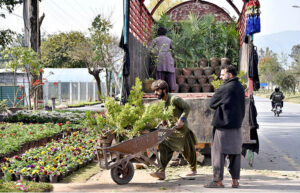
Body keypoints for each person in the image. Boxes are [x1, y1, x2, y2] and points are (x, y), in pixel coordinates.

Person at [204, 65, 245, 188]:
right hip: (237, 126)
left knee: (218, 153)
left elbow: (212, 104)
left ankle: (218, 181)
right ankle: (235, 181)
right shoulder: (240, 87)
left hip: (223, 127)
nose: (221, 77)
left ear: (230, 75)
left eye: (222, 74)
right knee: (235, 154)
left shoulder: (224, 88)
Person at [150, 79, 197, 180]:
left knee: (188, 151)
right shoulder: (164, 101)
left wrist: (182, 119)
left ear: (164, 90)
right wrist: (163, 121)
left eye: (157, 90)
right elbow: (167, 114)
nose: (155, 93)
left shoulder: (174, 99)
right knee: (165, 145)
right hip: (173, 130)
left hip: (182, 130)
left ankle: (192, 170)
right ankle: (161, 171)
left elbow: (187, 107)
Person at [150, 27, 176, 92]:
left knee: (159, 74)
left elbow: (150, 48)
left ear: (158, 33)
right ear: (165, 32)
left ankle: (158, 89)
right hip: (168, 58)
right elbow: (173, 49)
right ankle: (172, 89)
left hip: (160, 58)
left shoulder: (155, 39)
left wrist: (155, 53)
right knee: (171, 74)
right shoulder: (169, 40)